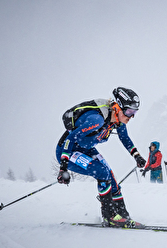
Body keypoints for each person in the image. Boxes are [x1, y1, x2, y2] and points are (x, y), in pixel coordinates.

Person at [56, 87, 146, 228]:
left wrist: (137, 156)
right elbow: (70, 138)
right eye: (129, 111)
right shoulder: (96, 120)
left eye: (134, 112)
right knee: (102, 172)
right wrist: (63, 167)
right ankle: (109, 215)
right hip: (68, 150)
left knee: (111, 176)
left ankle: (122, 215)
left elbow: (125, 138)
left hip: (85, 149)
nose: (131, 116)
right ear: (117, 107)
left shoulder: (118, 121)